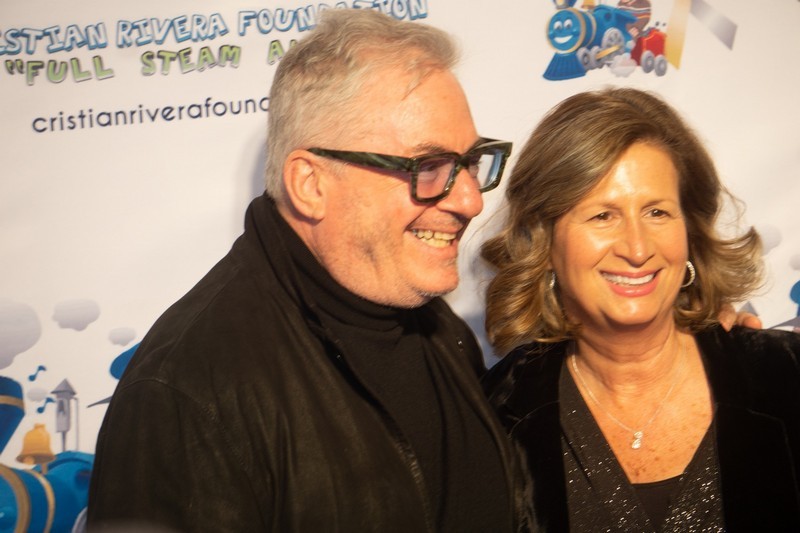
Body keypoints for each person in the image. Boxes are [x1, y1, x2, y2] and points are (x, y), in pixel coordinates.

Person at [87, 9, 528, 533]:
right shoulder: (186, 392)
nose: (471, 200)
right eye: (427, 167)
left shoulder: (433, 321)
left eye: (471, 163)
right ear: (310, 184)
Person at [480, 87, 800, 532]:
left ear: (689, 231)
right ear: (545, 240)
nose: (636, 249)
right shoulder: (495, 415)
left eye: (657, 213)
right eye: (603, 216)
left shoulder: (785, 375)